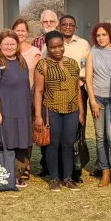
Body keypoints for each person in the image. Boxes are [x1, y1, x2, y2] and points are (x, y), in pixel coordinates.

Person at [39, 15, 90, 183]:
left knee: (69, 142)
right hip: (52, 107)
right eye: (53, 47)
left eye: (60, 46)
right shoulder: (43, 63)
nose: (57, 50)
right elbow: (39, 91)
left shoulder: (74, 61)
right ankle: (54, 177)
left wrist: (81, 112)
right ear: (48, 47)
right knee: (54, 144)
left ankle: (69, 176)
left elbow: (77, 88)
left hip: (72, 107)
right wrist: (38, 115)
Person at [0, 29, 33, 187]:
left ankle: (17, 175)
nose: (9, 47)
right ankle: (5, 175)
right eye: (6, 44)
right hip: (3, 111)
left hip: (21, 110)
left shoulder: (21, 61)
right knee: (5, 143)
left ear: (17, 45)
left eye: (13, 44)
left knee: (20, 143)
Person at [86, 22, 111, 190]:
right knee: (100, 138)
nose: (101, 38)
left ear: (110, 35)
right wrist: (93, 101)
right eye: (98, 35)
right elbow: (88, 79)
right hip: (98, 100)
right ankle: (105, 171)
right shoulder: (92, 52)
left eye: (104, 35)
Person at [12, 18, 41, 182]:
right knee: (14, 132)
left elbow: (38, 77)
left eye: (23, 30)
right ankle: (14, 164)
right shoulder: (8, 49)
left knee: (27, 133)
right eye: (17, 30)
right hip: (11, 98)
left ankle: (26, 165)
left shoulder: (34, 52)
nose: (20, 33)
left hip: (28, 97)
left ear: (27, 32)